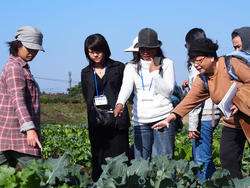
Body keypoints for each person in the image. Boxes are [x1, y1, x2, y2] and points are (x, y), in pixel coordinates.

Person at [152, 37, 250, 179]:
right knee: (228, 160)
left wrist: (239, 100)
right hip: (232, 123)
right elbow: (188, 101)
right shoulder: (203, 79)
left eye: (199, 59)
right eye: (192, 61)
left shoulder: (231, 64)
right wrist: (169, 118)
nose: (196, 64)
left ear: (211, 57)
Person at [114, 28, 176, 160]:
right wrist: (120, 103)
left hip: (163, 118)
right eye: (142, 49)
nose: (146, 52)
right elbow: (126, 88)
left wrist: (154, 73)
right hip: (141, 120)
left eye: (150, 48)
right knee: (141, 162)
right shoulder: (131, 67)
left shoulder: (167, 64)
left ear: (157, 48)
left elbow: (168, 92)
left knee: (164, 162)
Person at [81, 34, 130, 181]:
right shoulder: (86, 72)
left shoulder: (119, 67)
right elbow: (87, 96)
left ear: (105, 49)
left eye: (98, 50)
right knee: (99, 161)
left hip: (117, 120)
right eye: (91, 52)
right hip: (97, 123)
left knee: (120, 160)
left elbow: (126, 90)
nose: (95, 55)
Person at [0, 26, 44, 169]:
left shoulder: (20, 67)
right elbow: (18, 100)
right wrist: (30, 129)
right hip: (18, 135)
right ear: (18, 45)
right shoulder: (14, 68)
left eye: (35, 49)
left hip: (8, 136)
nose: (32, 53)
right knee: (38, 175)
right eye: (29, 48)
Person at [182, 28, 221, 180]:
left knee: (201, 157)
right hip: (212, 112)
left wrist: (192, 126)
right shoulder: (210, 60)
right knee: (205, 156)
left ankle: (206, 183)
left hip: (204, 115)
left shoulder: (196, 64)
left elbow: (196, 100)